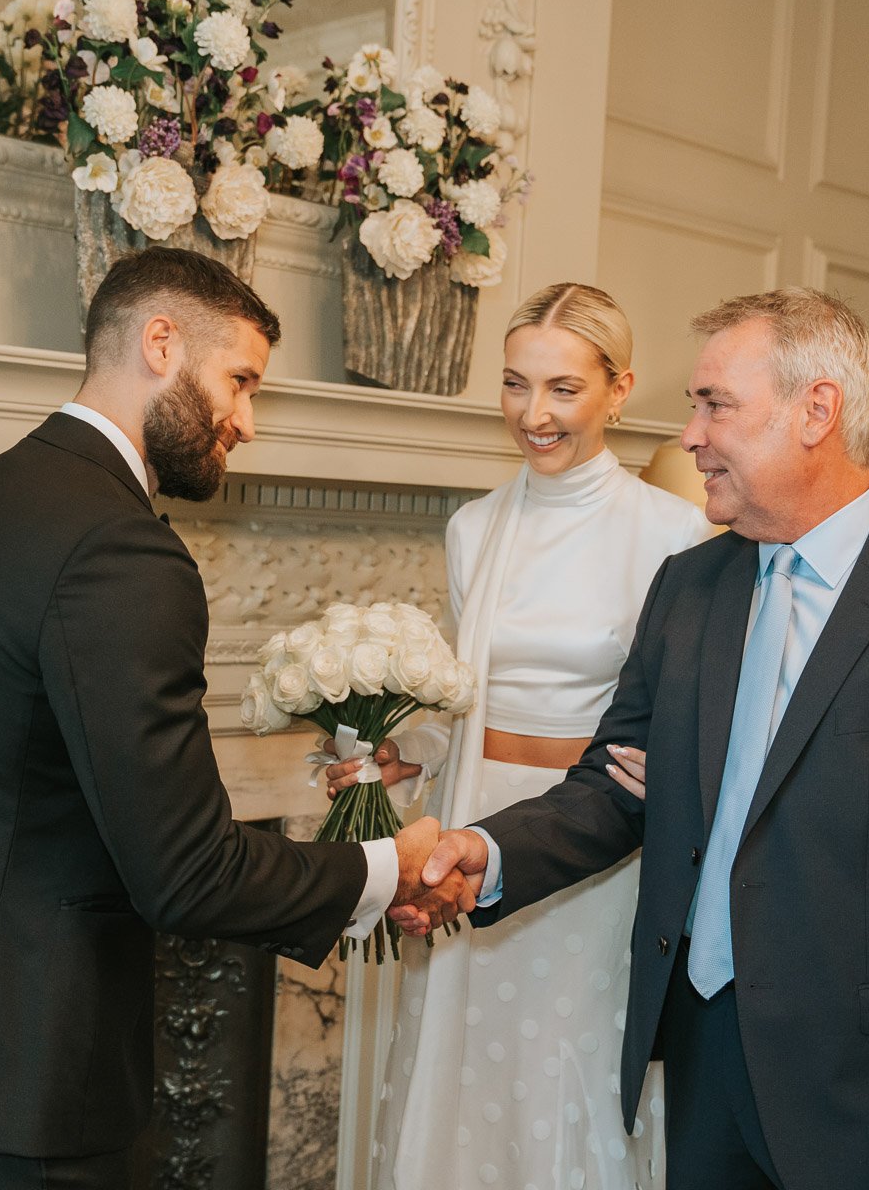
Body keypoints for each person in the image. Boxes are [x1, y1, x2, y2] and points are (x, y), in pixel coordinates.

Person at [398, 288, 869, 1190]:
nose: (689, 436)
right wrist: (487, 850)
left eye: (715, 405)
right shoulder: (689, 587)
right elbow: (617, 787)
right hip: (702, 1056)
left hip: (864, 1089)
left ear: (816, 411)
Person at [0, 248, 455, 1188]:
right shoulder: (121, 551)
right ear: (161, 343)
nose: (246, 420)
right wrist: (381, 866)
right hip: (24, 1076)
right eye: (240, 381)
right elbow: (188, 873)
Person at [324, 283, 711, 1190]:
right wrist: (407, 755)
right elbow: (471, 700)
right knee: (469, 1064)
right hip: (473, 821)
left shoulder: (674, 533)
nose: (534, 415)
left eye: (564, 389)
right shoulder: (473, 526)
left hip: (597, 855)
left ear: (619, 390)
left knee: (565, 1068)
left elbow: (683, 718)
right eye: (514, 384)